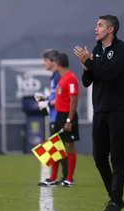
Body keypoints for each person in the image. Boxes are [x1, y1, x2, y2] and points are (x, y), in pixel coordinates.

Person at [74, 14, 124, 211]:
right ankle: (115, 196)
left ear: (110, 30)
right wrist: (86, 66)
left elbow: (109, 74)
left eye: (99, 25)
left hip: (117, 110)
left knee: (116, 156)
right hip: (99, 110)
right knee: (99, 157)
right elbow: (87, 82)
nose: (95, 29)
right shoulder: (97, 50)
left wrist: (90, 64)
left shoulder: (121, 49)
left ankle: (115, 201)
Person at [39, 53, 80, 188]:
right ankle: (53, 178)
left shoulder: (71, 78)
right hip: (59, 116)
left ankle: (68, 179)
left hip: (67, 116)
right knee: (54, 146)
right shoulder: (62, 79)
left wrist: (69, 119)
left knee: (69, 147)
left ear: (57, 64)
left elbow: (73, 100)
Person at [37, 49, 69, 186]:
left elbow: (61, 97)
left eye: (46, 61)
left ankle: (65, 177)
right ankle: (57, 177)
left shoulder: (57, 77)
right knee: (55, 148)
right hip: (54, 115)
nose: (44, 63)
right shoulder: (54, 77)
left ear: (53, 62)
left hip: (58, 116)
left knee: (58, 147)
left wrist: (46, 103)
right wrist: (45, 99)